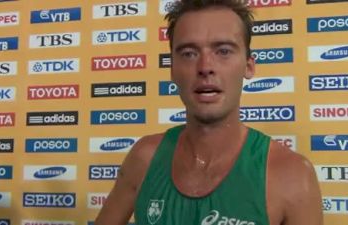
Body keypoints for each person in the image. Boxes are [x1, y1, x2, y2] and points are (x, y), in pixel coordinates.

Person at [95, 0, 323, 224]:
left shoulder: (292, 176)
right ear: (172, 69)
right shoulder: (144, 158)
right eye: (188, 53)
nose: (205, 67)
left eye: (223, 51)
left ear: (248, 66)